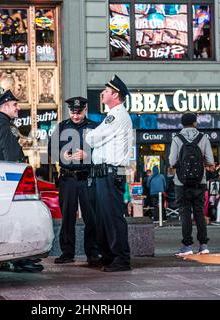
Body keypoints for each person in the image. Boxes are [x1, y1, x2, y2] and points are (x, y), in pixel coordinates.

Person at [0, 89, 43, 273]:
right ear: (5, 106)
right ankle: (21, 260)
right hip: (7, 183)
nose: (18, 108)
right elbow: (13, 157)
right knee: (18, 220)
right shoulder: (5, 126)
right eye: (15, 105)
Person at [85, 75, 133, 272]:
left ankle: (121, 258)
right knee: (104, 218)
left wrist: (91, 136)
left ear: (115, 94)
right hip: (105, 174)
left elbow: (93, 138)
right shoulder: (112, 116)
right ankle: (109, 256)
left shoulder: (116, 116)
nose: (102, 93)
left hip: (110, 174)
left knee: (112, 218)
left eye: (106, 90)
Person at [48, 96, 100, 266]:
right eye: (73, 112)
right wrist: (62, 155)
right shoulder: (62, 127)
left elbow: (103, 150)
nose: (76, 116)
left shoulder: (94, 127)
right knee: (67, 217)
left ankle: (92, 253)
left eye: (79, 112)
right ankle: (67, 252)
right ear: (69, 110)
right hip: (68, 178)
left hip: (87, 178)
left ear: (85, 110)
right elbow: (51, 149)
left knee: (91, 217)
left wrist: (89, 156)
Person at [169, 112, 215, 256]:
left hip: (181, 183)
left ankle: (187, 246)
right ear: (195, 123)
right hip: (199, 181)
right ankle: (203, 245)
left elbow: (171, 162)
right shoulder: (203, 138)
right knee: (199, 212)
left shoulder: (177, 139)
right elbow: (210, 161)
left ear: (182, 124)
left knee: (185, 213)